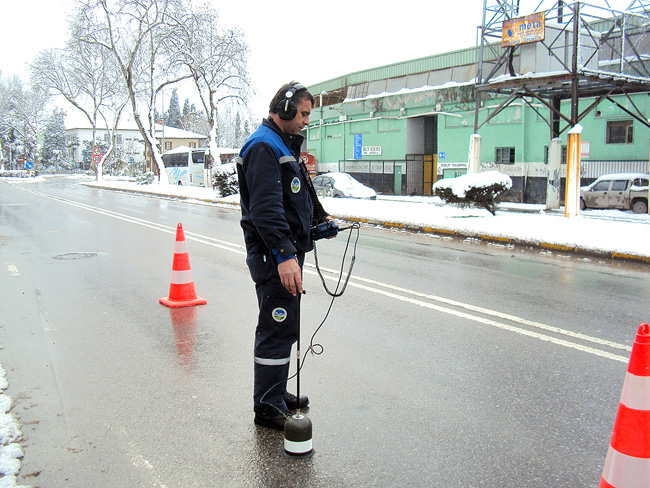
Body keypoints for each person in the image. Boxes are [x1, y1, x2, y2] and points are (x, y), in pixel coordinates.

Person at [237, 82, 330, 431]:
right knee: (276, 327)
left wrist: (318, 222)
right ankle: (267, 405)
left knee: (286, 326)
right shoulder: (264, 145)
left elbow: (292, 201)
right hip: (274, 258)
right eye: (304, 113)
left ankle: (276, 391)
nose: (306, 121)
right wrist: (283, 254)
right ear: (287, 109)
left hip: (285, 254)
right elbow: (265, 209)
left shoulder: (279, 144)